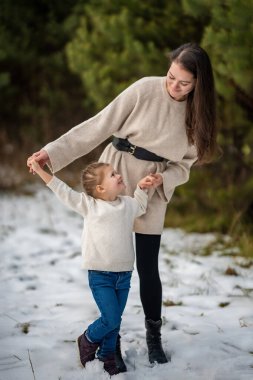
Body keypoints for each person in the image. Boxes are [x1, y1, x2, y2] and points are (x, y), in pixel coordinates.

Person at [27, 42, 218, 369]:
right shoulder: (145, 89)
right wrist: (53, 153)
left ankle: (153, 336)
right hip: (114, 174)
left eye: (183, 83)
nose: (174, 86)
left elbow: (184, 165)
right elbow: (98, 125)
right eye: (171, 76)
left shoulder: (197, 115)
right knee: (108, 259)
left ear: (199, 84)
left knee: (147, 266)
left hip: (151, 185)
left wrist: (165, 179)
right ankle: (109, 337)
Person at [30, 159, 159, 376]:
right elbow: (63, 191)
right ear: (100, 188)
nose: (119, 176)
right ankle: (88, 339)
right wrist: (41, 171)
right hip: (100, 275)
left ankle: (106, 354)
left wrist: (142, 187)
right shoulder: (89, 205)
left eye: (116, 172)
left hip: (124, 274)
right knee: (110, 318)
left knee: (115, 321)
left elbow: (141, 204)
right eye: (112, 175)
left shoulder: (127, 204)